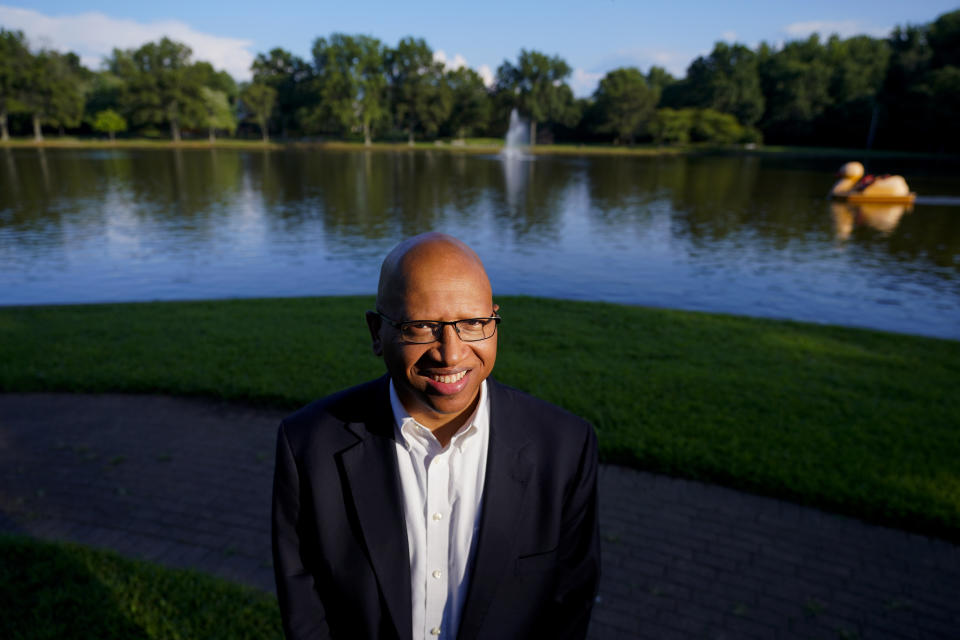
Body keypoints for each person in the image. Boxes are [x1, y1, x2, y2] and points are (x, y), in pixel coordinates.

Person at [272, 232, 600, 640]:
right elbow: (307, 609)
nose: (451, 352)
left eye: (474, 323)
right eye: (422, 326)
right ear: (377, 332)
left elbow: (568, 607)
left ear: (494, 321)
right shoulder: (308, 446)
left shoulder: (565, 447)